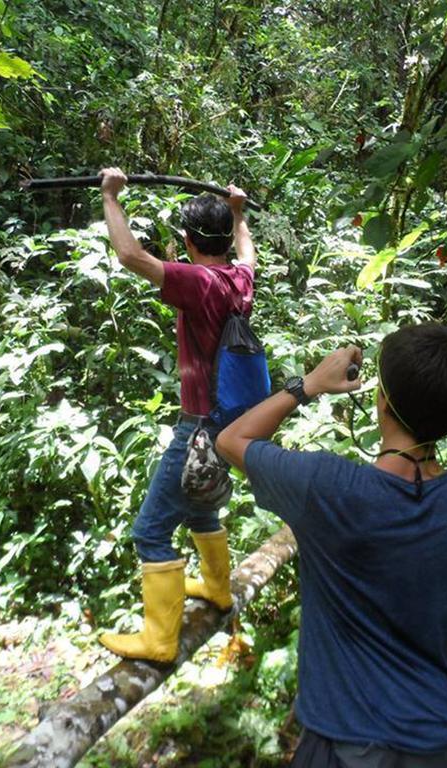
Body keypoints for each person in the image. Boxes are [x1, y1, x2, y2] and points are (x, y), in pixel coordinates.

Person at [216, 323, 447, 765]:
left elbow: (232, 439)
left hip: (341, 741)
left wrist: (308, 384)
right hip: (431, 740)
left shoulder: (328, 487)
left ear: (382, 401)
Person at [97, 167, 256, 662]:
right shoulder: (237, 279)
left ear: (187, 242)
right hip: (230, 422)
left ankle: (160, 640)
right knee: (202, 507)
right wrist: (239, 213)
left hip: (200, 425)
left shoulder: (197, 282)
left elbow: (129, 255)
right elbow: (248, 253)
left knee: (149, 531)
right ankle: (217, 589)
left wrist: (110, 196)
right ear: (225, 240)